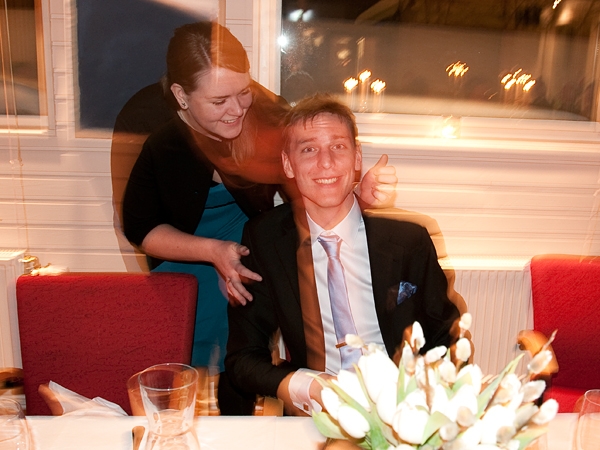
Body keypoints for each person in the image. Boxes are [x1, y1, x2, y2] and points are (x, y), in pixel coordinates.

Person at [121, 22, 397, 410]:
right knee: (180, 377)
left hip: (250, 255)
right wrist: (212, 251)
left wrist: (357, 197)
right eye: (219, 101)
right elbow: (141, 228)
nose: (237, 110)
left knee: (242, 366)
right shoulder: (160, 143)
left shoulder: (269, 117)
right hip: (186, 261)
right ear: (182, 96)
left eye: (244, 92)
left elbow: (312, 183)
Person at [225, 94, 462, 415]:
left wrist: (417, 397)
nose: (326, 162)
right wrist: (305, 385)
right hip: (315, 414)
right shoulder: (265, 239)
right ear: (288, 164)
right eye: (309, 149)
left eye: (338, 146)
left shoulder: (410, 240)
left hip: (402, 409)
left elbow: (446, 339)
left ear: (357, 157)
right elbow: (242, 359)